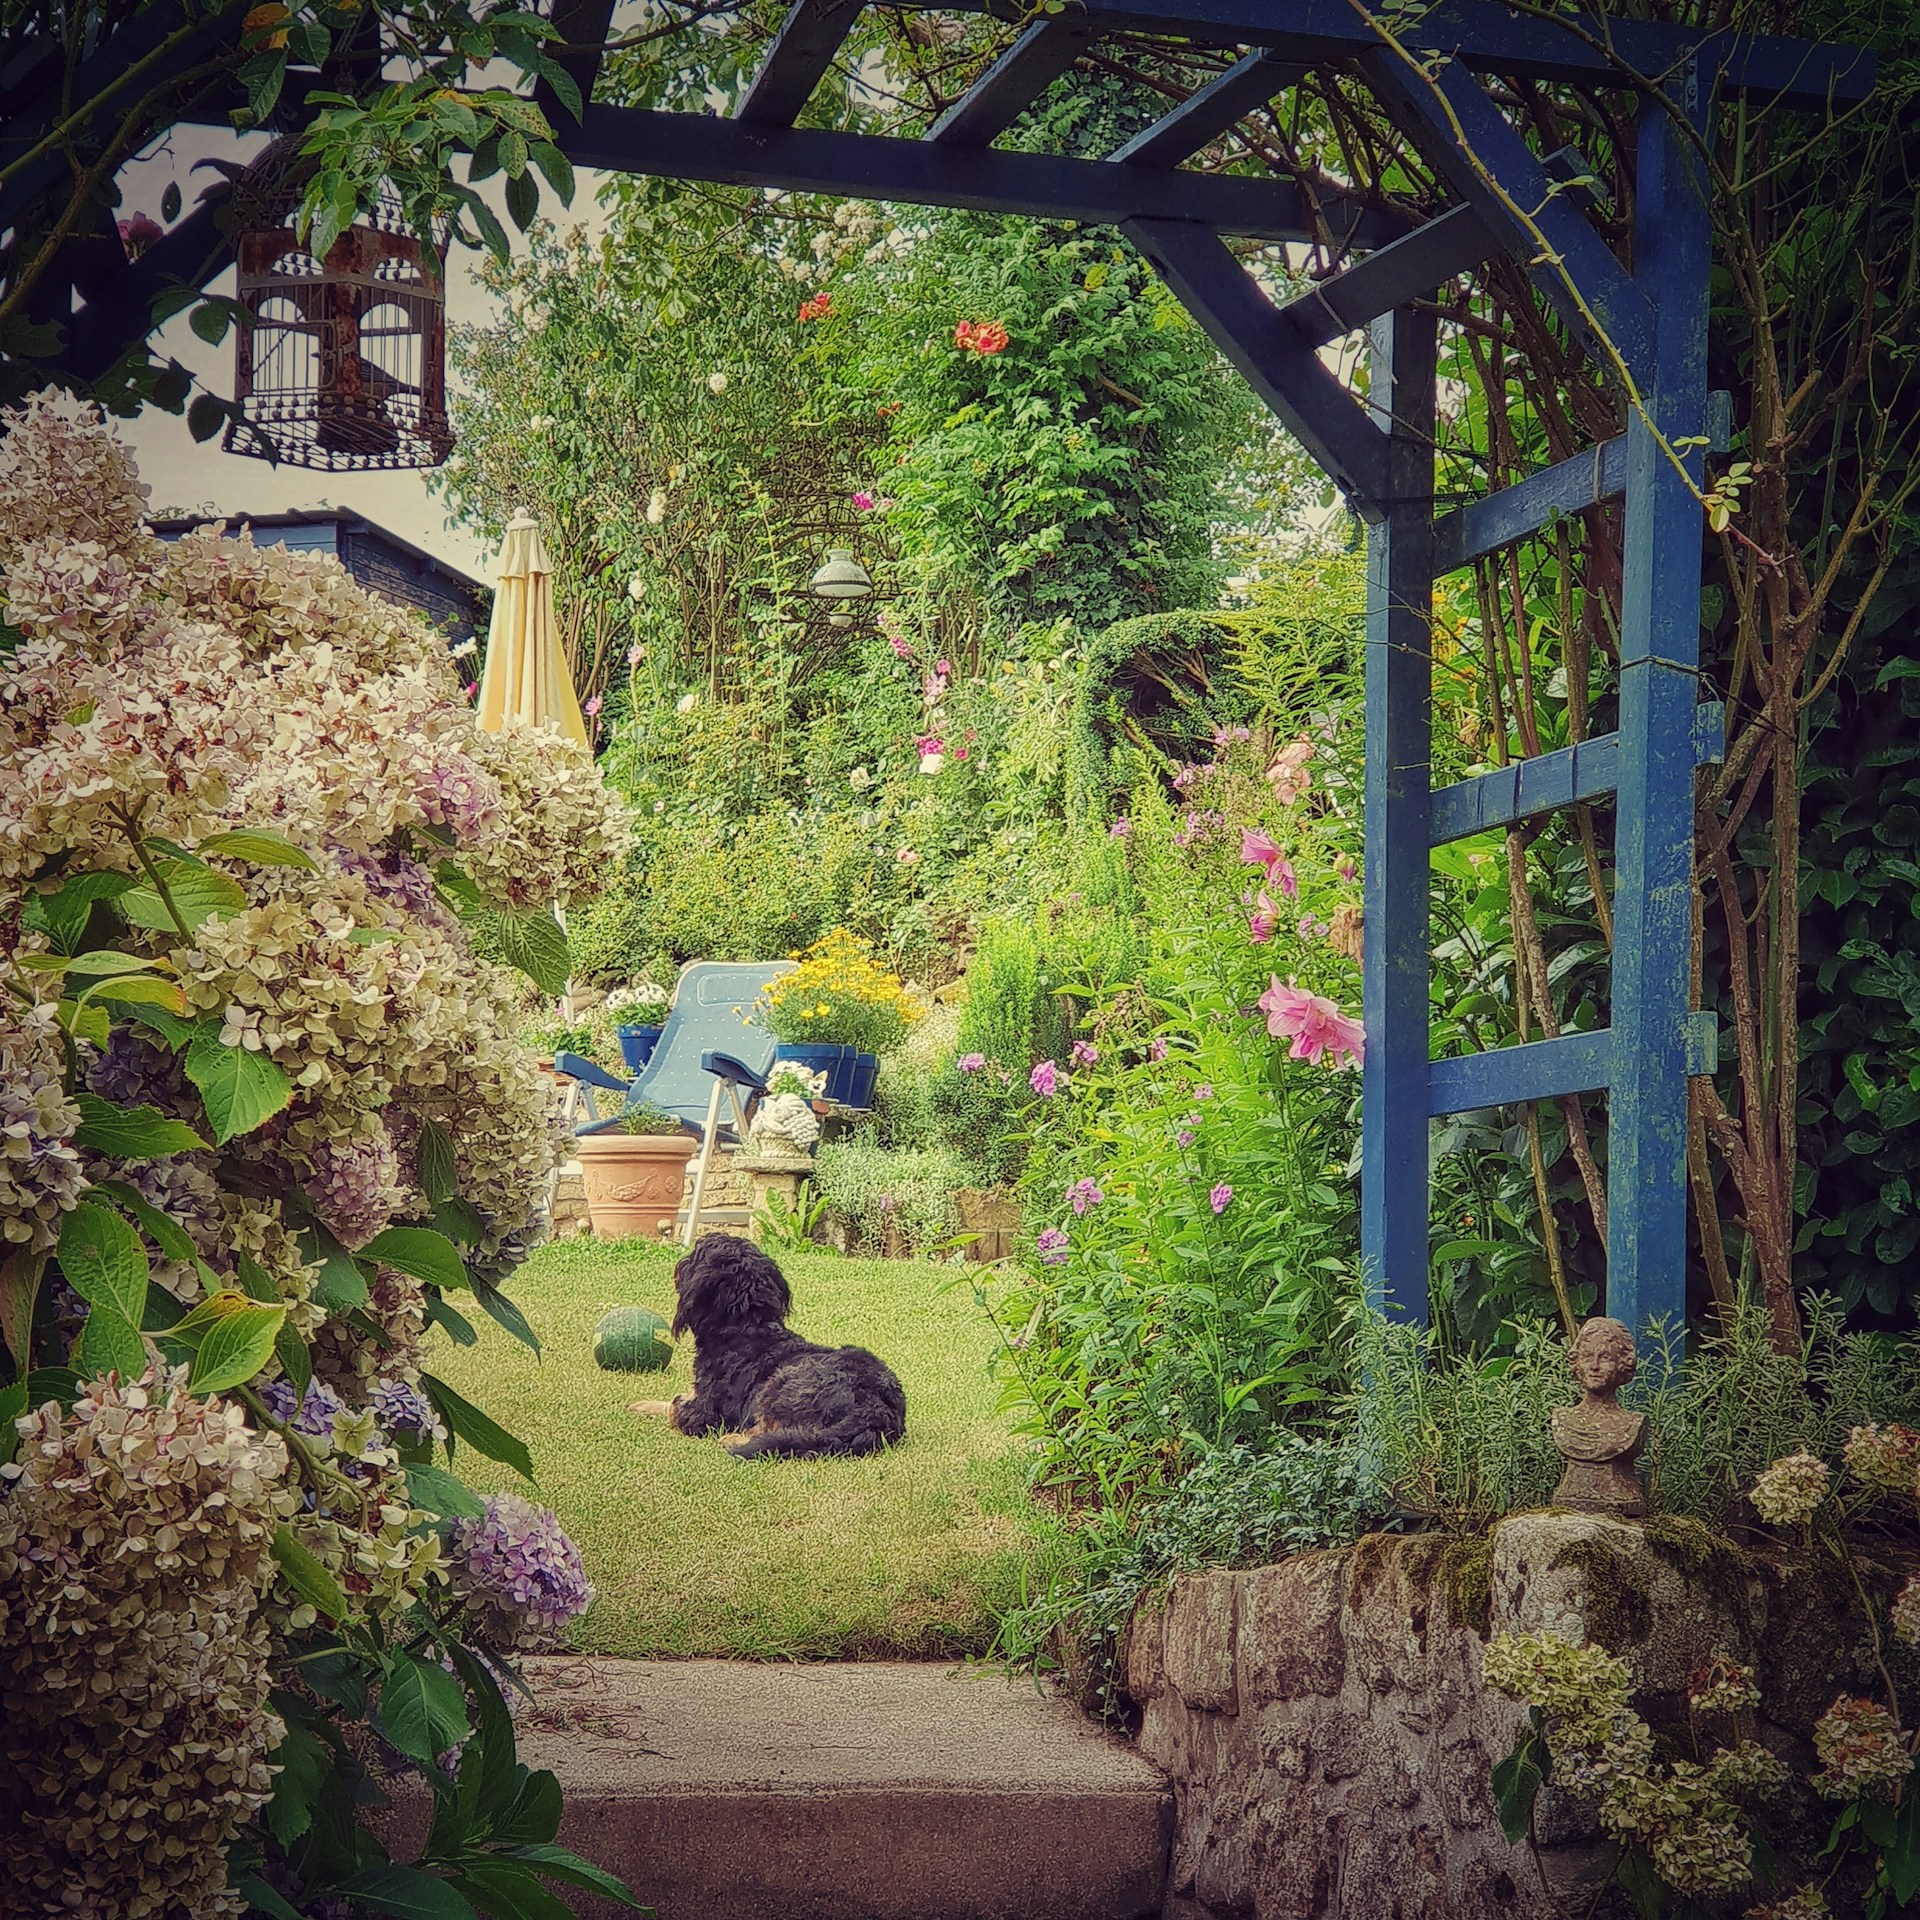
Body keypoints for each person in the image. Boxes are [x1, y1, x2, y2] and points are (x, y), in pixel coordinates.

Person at [1549, 1315, 1648, 1516]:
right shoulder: (1563, 1420)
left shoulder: (1632, 1424)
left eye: (1605, 1358)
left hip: (1619, 1499)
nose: (1594, 1366)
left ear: (1622, 1364)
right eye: (1587, 1357)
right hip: (1569, 1498)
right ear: (1576, 1362)